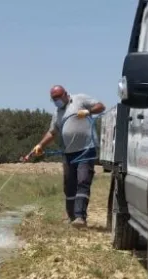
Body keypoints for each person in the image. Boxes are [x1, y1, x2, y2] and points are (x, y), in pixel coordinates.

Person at [30, 85, 105, 228]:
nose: (57, 101)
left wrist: (88, 112)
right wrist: (40, 145)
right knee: (69, 185)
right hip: (68, 153)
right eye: (54, 99)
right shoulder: (57, 113)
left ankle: (80, 217)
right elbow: (52, 132)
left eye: (58, 97)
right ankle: (72, 217)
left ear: (65, 94)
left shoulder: (80, 100)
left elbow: (101, 106)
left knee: (83, 180)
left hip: (86, 149)